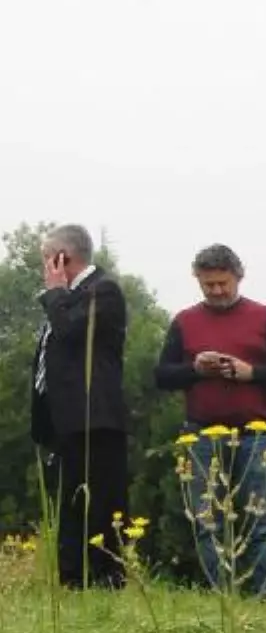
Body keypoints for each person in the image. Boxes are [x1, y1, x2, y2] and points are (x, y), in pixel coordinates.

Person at [155, 244, 266, 596]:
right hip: (201, 434)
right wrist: (195, 369)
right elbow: (162, 376)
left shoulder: (265, 317)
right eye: (209, 285)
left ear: (238, 277)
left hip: (257, 434)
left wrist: (251, 373)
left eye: (223, 283)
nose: (217, 291)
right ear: (198, 281)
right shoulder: (184, 321)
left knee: (263, 518)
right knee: (206, 521)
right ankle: (222, 596)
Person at [30, 225, 130, 589]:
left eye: (47, 259)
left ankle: (107, 577)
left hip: (95, 417)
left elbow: (73, 332)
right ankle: (72, 580)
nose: (45, 268)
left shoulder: (103, 291)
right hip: (65, 420)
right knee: (71, 504)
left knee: (102, 502)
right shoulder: (68, 298)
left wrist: (55, 292)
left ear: (63, 258)